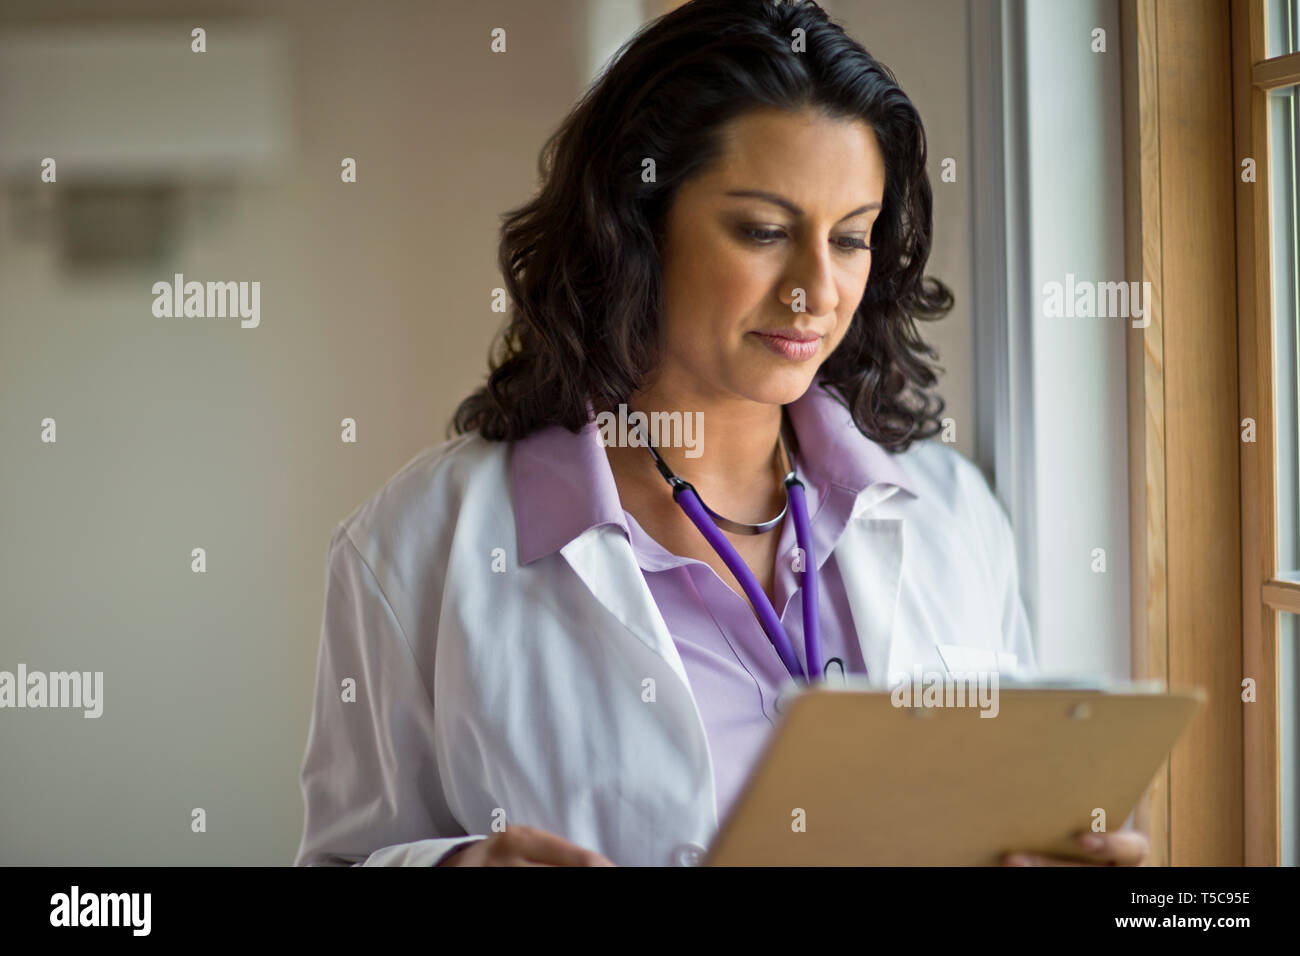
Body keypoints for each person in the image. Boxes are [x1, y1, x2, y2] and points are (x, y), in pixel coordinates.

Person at [293, 0, 1148, 867]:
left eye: (851, 239)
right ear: (635, 225)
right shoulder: (412, 548)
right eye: (765, 232)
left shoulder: (951, 513)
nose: (816, 290)